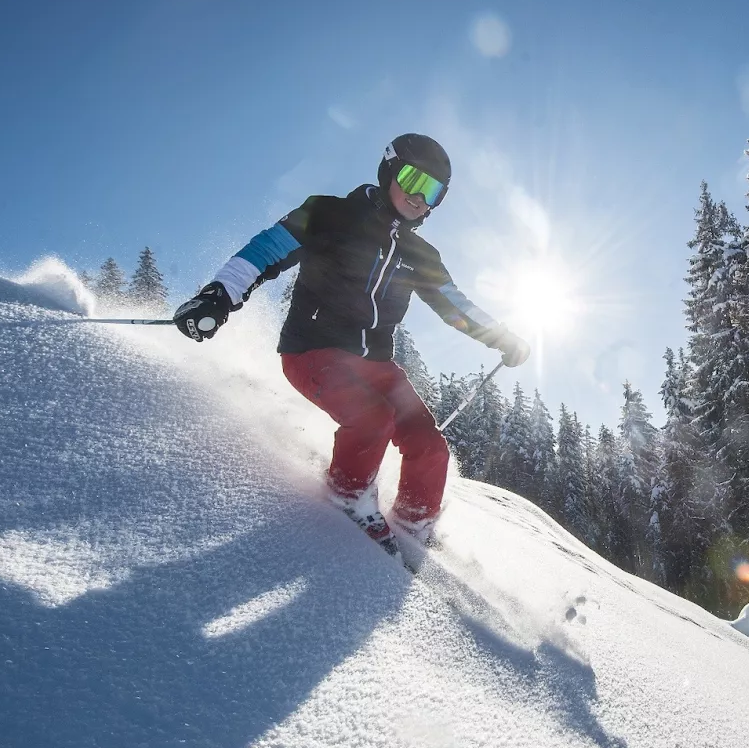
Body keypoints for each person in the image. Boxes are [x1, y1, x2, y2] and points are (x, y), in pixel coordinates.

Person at [172, 133, 529, 551]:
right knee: (372, 419)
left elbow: (455, 305)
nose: (419, 197)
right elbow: (266, 250)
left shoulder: (422, 255)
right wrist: (220, 294)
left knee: (429, 446)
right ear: (389, 170)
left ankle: (414, 527)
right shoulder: (328, 213)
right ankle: (347, 500)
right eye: (413, 179)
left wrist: (501, 337)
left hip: (378, 365)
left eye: (432, 190)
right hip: (312, 350)